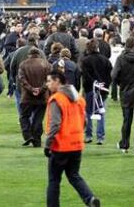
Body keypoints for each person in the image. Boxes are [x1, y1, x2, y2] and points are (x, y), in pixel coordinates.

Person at [44, 71, 100, 207]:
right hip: (76, 144)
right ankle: (90, 198)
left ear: (58, 81)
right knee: (74, 175)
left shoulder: (57, 99)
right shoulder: (79, 99)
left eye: (49, 81)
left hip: (61, 145)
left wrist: (47, 144)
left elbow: (55, 124)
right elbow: (84, 121)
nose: (47, 84)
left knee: (54, 180)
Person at [18, 48, 52, 147]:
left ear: (29, 55)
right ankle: (36, 140)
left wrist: (31, 89)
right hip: (43, 96)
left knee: (24, 116)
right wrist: (41, 89)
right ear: (39, 54)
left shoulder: (23, 64)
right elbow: (49, 79)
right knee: (38, 118)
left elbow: (22, 79)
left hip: (27, 96)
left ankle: (28, 135)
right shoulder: (46, 64)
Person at [81, 39, 112, 145]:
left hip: (90, 89)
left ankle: (89, 135)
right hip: (103, 90)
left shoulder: (85, 61)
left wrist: (94, 83)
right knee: (100, 112)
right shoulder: (105, 60)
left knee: (89, 112)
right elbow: (109, 75)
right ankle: (100, 137)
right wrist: (105, 85)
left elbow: (86, 76)